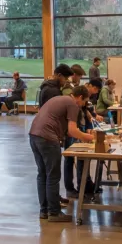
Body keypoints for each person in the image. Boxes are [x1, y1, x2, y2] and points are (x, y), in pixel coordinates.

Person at [29, 86, 95, 222]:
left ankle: (44, 210)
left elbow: (65, 127)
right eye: (84, 102)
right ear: (80, 97)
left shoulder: (59, 99)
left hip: (34, 135)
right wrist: (88, 137)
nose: (83, 105)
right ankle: (54, 212)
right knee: (53, 175)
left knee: (42, 174)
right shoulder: (72, 104)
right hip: (48, 138)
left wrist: (81, 134)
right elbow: (72, 130)